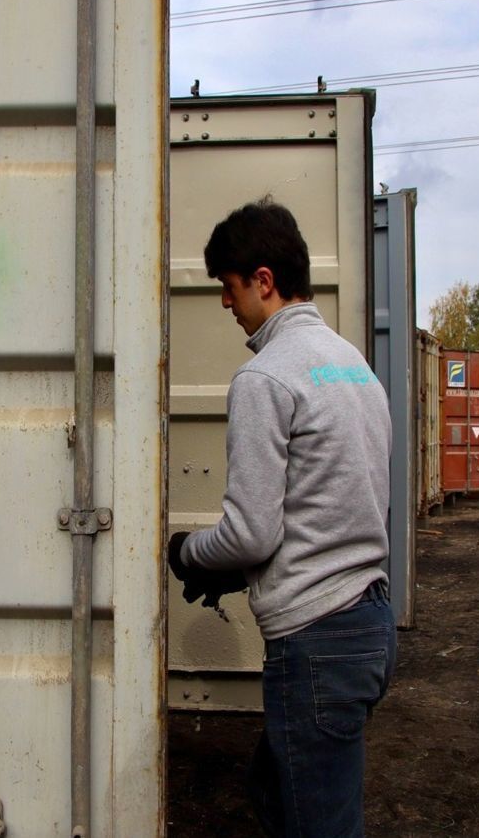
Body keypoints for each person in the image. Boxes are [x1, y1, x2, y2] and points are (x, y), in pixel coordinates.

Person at [168, 197, 397, 837]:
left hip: (317, 644)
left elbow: (252, 533)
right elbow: (330, 509)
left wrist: (188, 552)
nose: (224, 303)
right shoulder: (353, 367)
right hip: (369, 628)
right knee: (275, 790)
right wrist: (242, 574)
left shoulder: (264, 378)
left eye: (229, 286)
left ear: (263, 281)